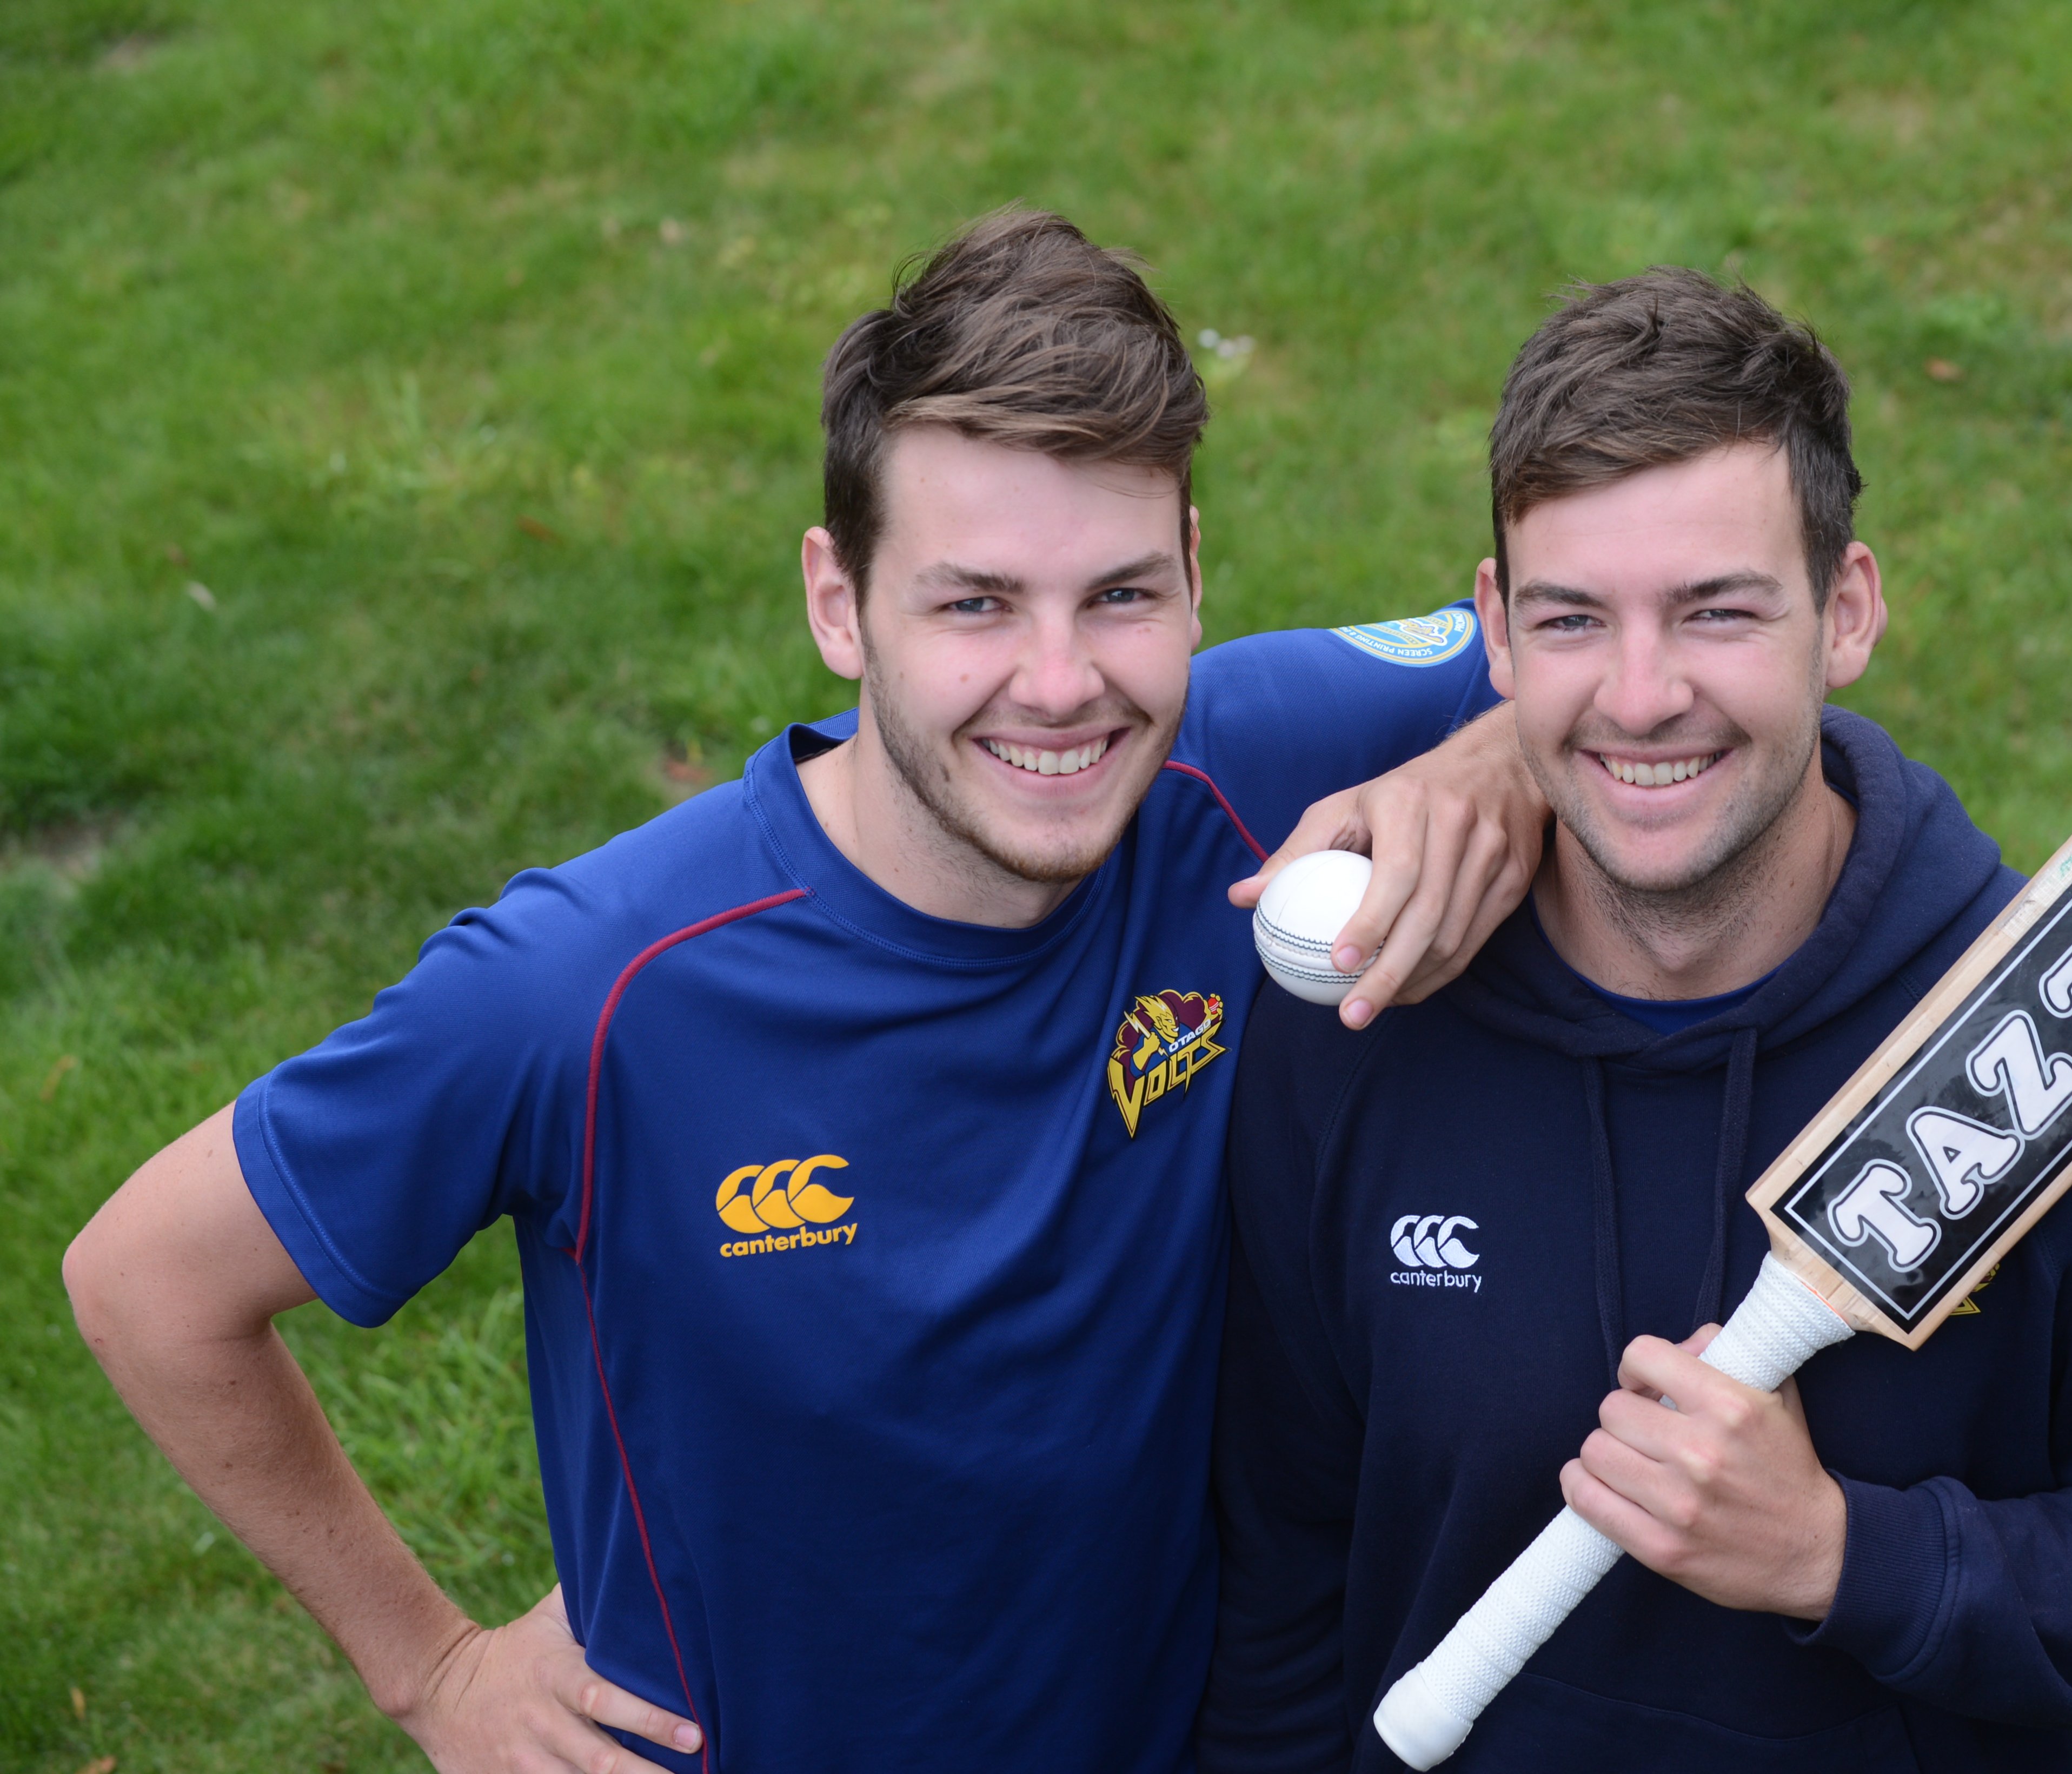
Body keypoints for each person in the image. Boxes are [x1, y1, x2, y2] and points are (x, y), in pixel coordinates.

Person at [63, 209, 1546, 1774]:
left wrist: (1497, 756)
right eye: (973, 603)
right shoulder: (591, 988)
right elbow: (148, 1286)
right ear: (839, 604)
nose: (1061, 684)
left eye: (1118, 595)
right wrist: (432, 1668)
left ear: (1193, 576)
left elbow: (1606, 673)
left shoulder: (1238, 769)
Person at [1203, 269, 2072, 1773]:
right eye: (1571, 618)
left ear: (1846, 611)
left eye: (1717, 612)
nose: (1642, 693)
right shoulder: (1367, 1023)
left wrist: (1841, 1557)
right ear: (1494, 630)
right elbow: (1280, 1562)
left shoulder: (2064, 1033)